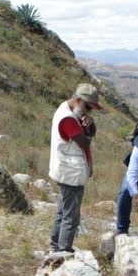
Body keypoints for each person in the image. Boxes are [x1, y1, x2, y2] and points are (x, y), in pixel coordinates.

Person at [48, 83, 101, 253]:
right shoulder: (69, 119)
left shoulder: (68, 109)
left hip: (68, 170)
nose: (89, 111)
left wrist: (90, 126)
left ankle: (55, 246)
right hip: (71, 173)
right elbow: (84, 142)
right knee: (71, 215)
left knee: (62, 210)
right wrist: (87, 130)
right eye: (88, 107)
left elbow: (89, 133)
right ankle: (64, 250)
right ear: (78, 100)